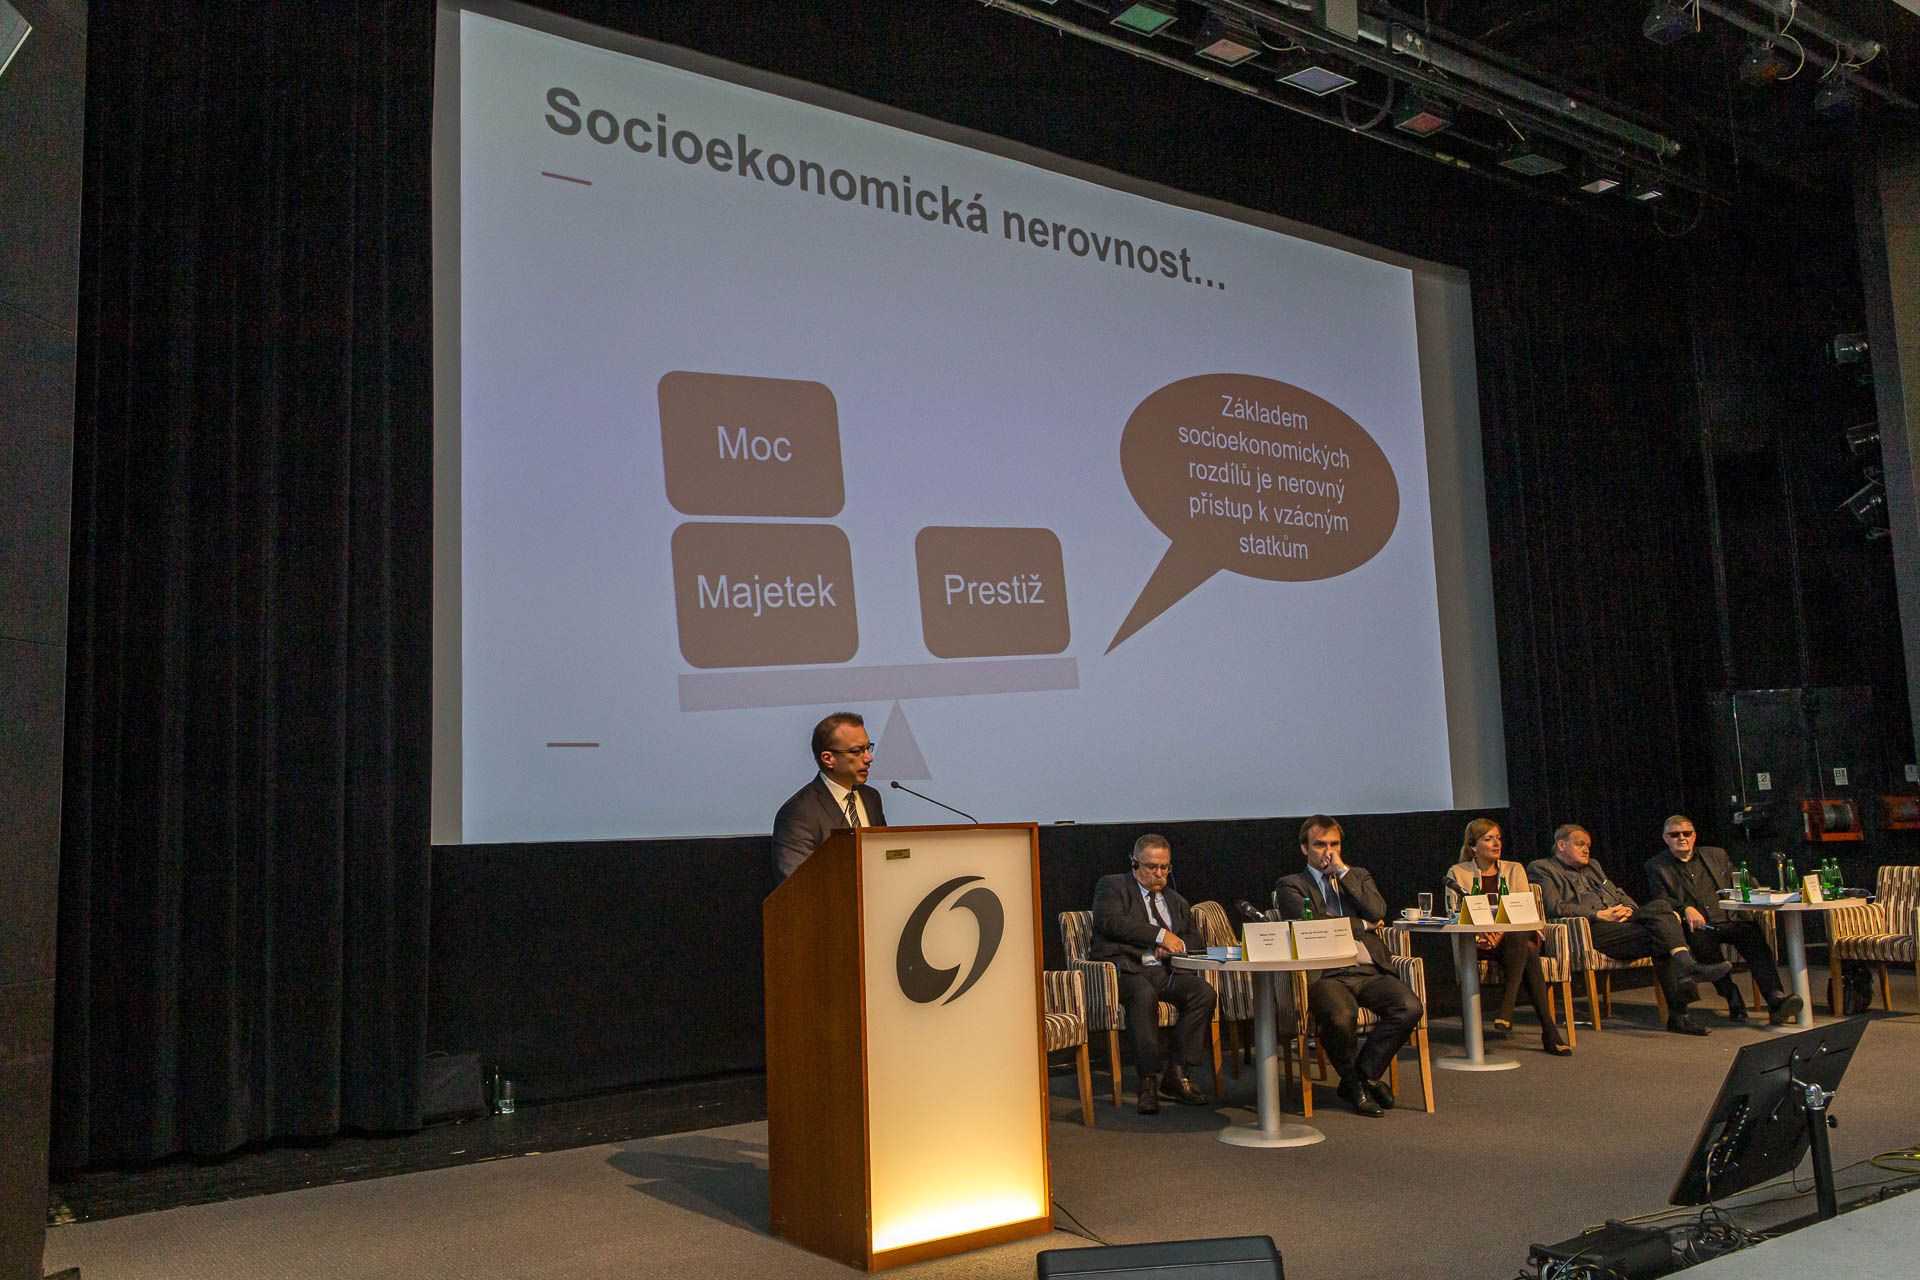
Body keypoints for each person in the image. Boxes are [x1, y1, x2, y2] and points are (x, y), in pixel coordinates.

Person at [1276, 816, 1424, 1117]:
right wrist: (1363, 925)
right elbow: (1312, 925)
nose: (1328, 852)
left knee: (1409, 1007)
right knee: (1341, 1017)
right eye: (1320, 845)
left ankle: (1359, 1079)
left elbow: (1378, 910)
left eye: (1334, 845)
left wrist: (1343, 873)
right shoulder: (1291, 884)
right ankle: (1359, 1084)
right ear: (1305, 848)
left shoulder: (1357, 876)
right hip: (1326, 974)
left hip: (1367, 969)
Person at [1528, 824, 1731, 1035]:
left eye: (1588, 845)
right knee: (1663, 937)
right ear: (1562, 845)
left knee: (1662, 908)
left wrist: (1629, 908)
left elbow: (1617, 892)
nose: (1586, 850)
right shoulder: (1542, 868)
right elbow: (1554, 907)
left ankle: (1684, 972)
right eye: (1580, 845)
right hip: (1591, 930)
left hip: (1622, 922)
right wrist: (1599, 914)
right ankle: (1681, 1002)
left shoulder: (1593, 866)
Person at [1088, 834, 1218, 1115]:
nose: (1159, 874)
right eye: (1152, 867)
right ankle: (1147, 1081)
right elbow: (1110, 922)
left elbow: (1195, 939)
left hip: (1161, 971)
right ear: (1135, 864)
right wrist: (1159, 936)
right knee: (1142, 994)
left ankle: (1177, 1072)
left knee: (1203, 993)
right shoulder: (1113, 886)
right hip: (1124, 970)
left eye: (1164, 867)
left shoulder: (1176, 900)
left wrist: (1174, 945)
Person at [1642, 815, 1803, 1026]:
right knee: (1704, 950)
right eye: (1675, 835)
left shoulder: (1716, 855)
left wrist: (1753, 891)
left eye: (1686, 833)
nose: (1681, 838)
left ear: (1694, 836)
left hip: (1731, 919)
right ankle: (1732, 996)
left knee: (1755, 940)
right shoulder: (1657, 866)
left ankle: (1776, 1000)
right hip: (1699, 926)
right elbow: (1660, 900)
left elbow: (1741, 879)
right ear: (1665, 838)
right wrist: (1685, 909)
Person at [1443, 819, 1570, 1055]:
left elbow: (1522, 910)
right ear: (1473, 846)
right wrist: (1481, 935)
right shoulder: (1458, 873)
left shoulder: (1514, 869)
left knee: (1521, 934)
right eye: (1488, 839)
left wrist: (1500, 932)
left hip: (1515, 934)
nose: (1496, 843)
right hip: (1481, 942)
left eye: (1498, 838)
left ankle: (1508, 1005)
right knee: (1529, 950)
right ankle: (1548, 1031)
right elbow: (1455, 914)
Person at [770, 712, 888, 880]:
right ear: (828, 759)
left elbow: (882, 857)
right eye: (856, 751)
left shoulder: (871, 797)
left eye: (868, 748)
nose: (869, 758)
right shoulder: (798, 811)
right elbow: (795, 881)